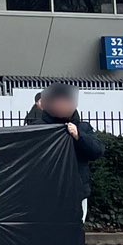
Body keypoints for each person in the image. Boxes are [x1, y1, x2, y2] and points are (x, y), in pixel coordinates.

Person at [27, 83, 104, 214]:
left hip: (77, 192)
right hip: (45, 192)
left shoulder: (83, 127)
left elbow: (97, 151)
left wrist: (79, 136)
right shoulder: (38, 127)